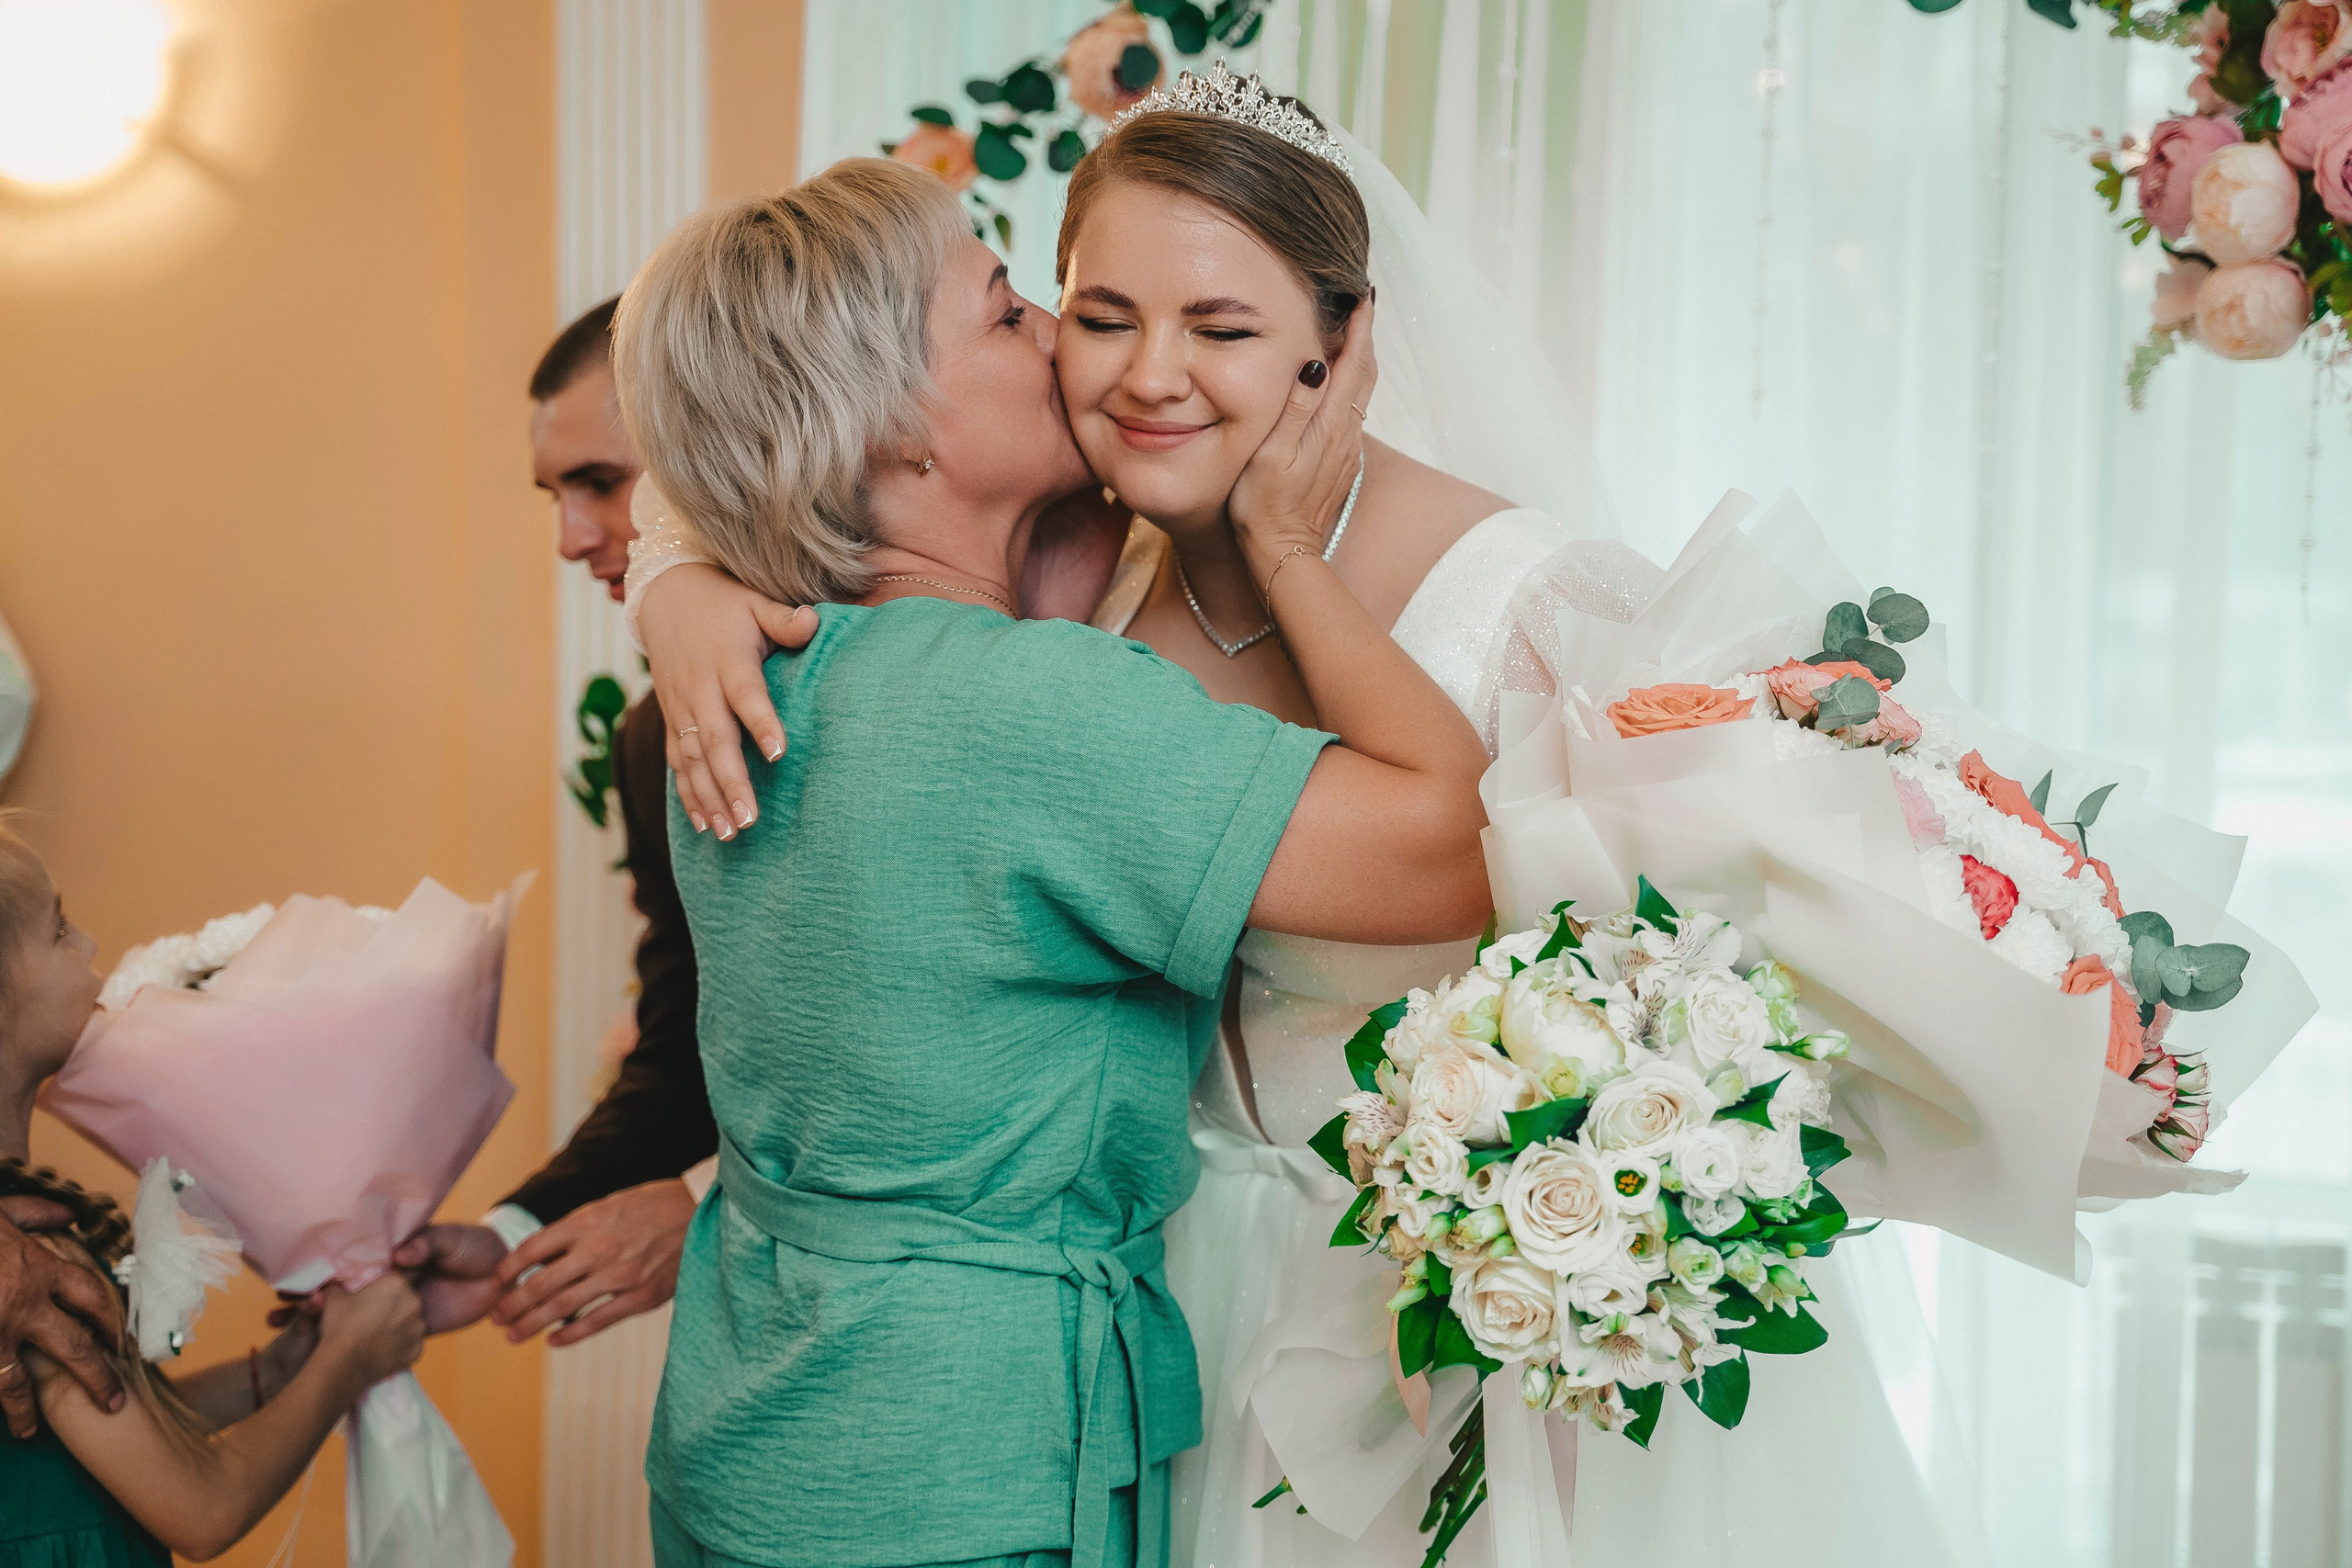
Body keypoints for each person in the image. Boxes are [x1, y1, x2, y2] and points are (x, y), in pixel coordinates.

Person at [627, 73, 1984, 1568]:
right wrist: (675, 586)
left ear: (1342, 351)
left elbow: (776, 441)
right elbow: (788, 444)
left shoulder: (1508, 594)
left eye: (1221, 328)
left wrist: (680, 597)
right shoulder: (1073, 600)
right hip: (1059, 1388)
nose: (1142, 376)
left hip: (1383, 1337)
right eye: (1065, 313)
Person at [613, 150, 1494, 1568]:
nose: (1084, 356)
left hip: (748, 1423)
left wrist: (675, 582)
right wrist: (1284, 542)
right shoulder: (1025, 709)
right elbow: (1457, 838)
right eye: (1014, 310)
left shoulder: (744, 681)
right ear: (901, 425)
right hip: (963, 1470)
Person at [396, 299, 819, 1348]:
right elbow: (685, 1049)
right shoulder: (649, 741)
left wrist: (712, 1212)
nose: (570, 538)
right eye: (553, 494)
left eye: (599, 483)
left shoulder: (941, 649)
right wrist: (511, 1231)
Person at [0, 821, 427, 1563]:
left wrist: (287, 1366)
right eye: (60, 929)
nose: (91, 944)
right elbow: (201, 1508)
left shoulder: (21, 1232)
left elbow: (114, 1449)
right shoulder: (33, 1258)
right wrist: (349, 1359)